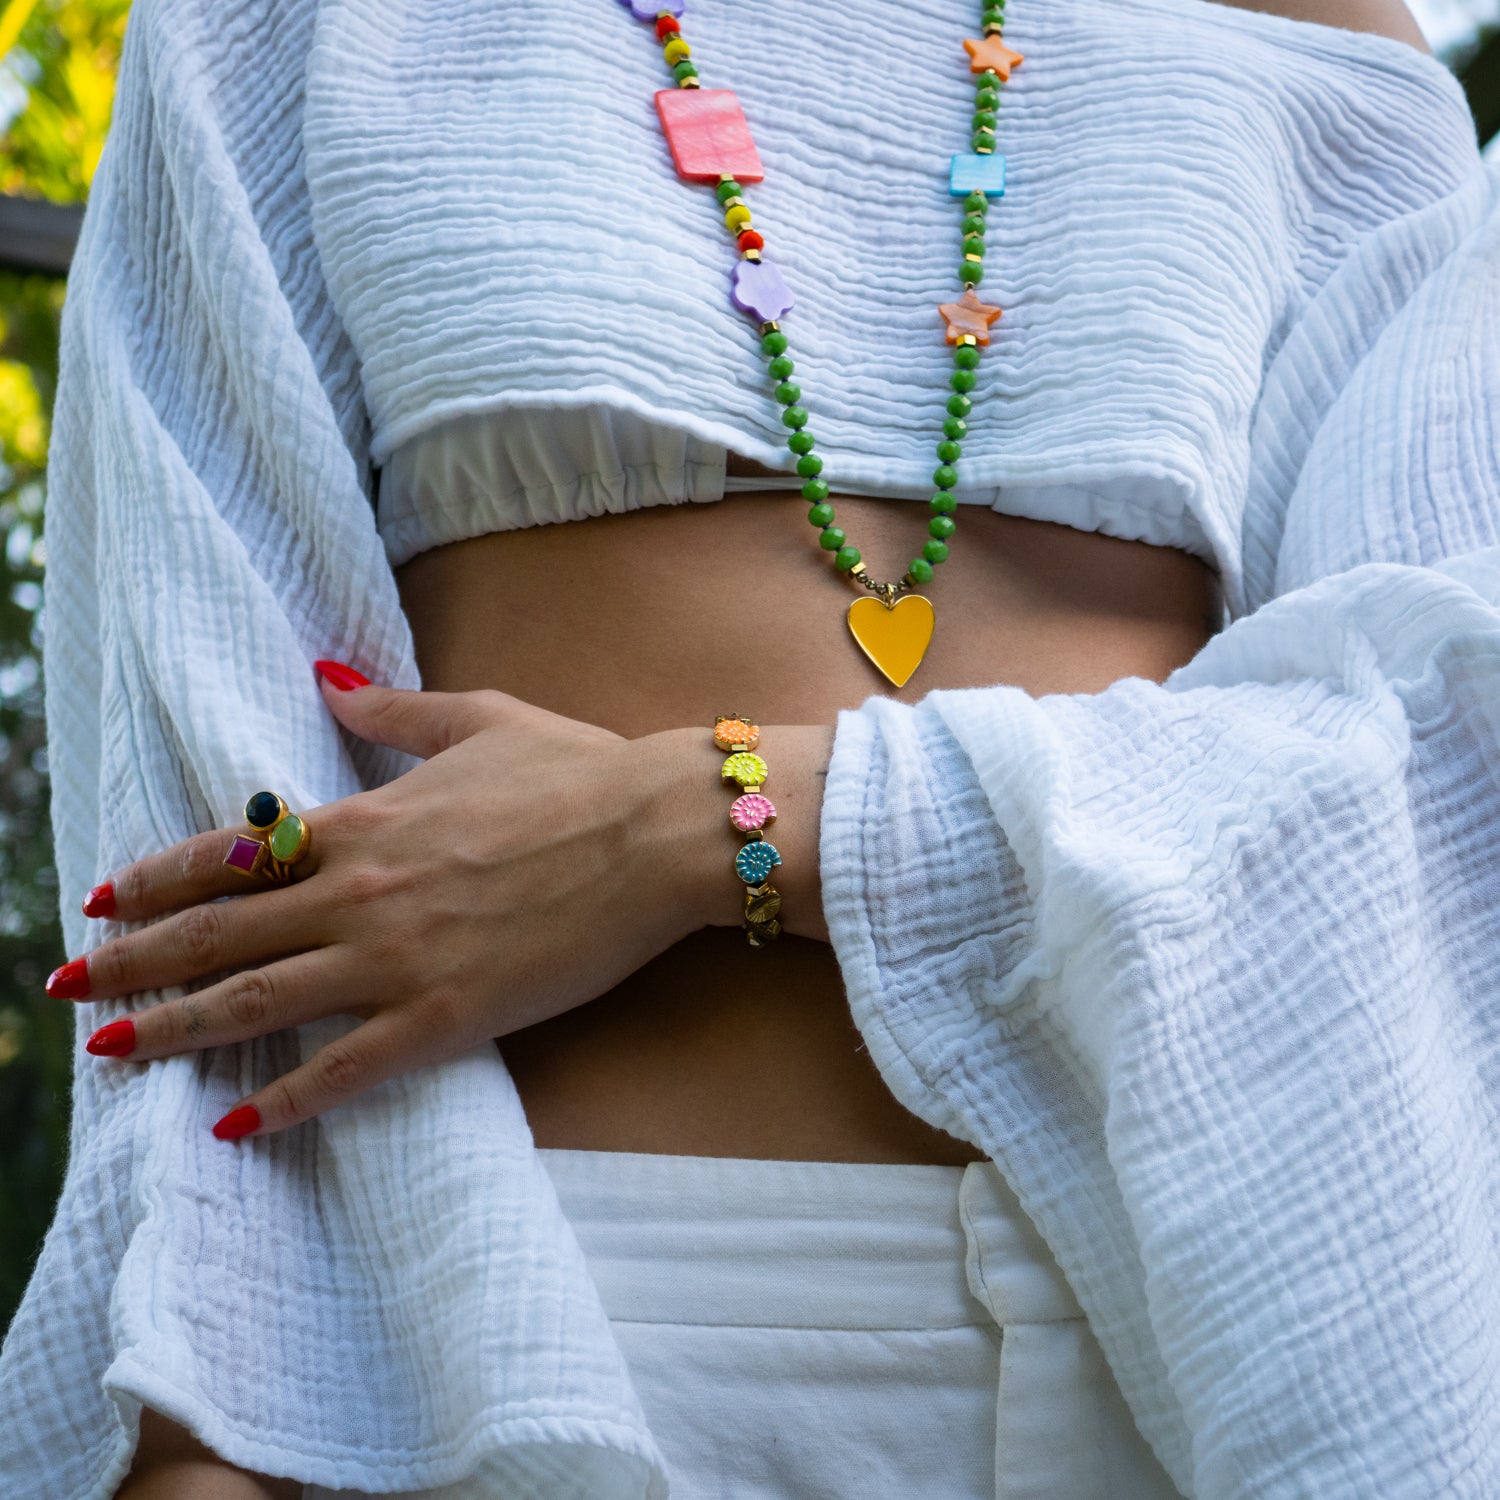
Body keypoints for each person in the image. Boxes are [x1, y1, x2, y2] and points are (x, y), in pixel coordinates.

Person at [2, 0, 1497, 1494]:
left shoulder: (1305, 21)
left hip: (1201, 1332)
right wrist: (210, 1418)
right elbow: (209, 795)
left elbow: (1433, 751)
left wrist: (702, 821)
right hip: (523, 1341)